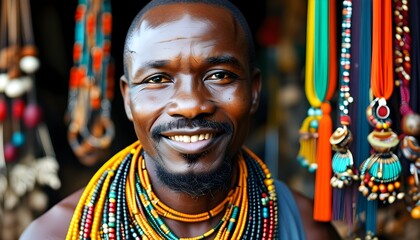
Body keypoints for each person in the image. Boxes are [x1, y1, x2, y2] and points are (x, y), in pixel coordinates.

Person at [21, 0, 341, 239]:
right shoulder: (59, 232)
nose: (190, 105)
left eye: (219, 75)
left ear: (254, 91)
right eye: (158, 79)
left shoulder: (304, 228)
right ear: (128, 98)